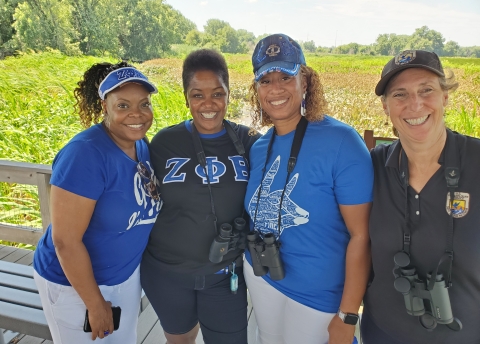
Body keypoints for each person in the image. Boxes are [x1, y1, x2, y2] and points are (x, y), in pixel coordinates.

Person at [243, 33, 373, 344]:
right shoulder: (260, 147)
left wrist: (348, 315)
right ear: (257, 90)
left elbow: (361, 236)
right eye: (266, 80)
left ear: (305, 81)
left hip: (318, 295)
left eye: (286, 76)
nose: (276, 88)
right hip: (263, 276)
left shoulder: (342, 142)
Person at [33, 62, 162, 343]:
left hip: (125, 277)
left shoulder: (140, 145)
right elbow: (65, 241)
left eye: (144, 104)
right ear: (105, 106)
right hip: (75, 286)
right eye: (123, 105)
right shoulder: (85, 155)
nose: (136, 114)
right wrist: (94, 302)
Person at [141, 49, 261, 344]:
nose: (208, 104)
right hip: (166, 273)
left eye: (217, 94)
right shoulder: (165, 143)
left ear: (228, 95)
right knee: (180, 340)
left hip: (226, 274)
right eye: (197, 95)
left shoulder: (249, 142)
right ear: (186, 97)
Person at [362, 50, 480, 344]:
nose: (415, 104)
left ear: (445, 97)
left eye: (426, 90)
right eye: (400, 94)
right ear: (386, 108)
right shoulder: (369, 167)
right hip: (382, 332)